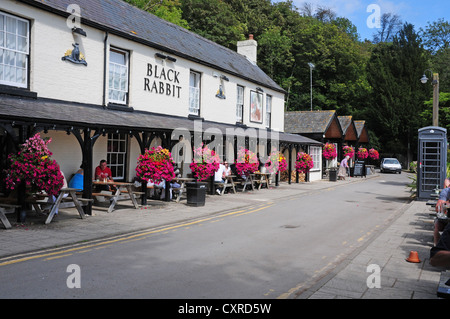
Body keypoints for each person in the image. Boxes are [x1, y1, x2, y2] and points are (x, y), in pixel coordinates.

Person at [434, 178, 450, 245]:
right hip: (448, 217)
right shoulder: (446, 191)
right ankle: (437, 247)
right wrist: (445, 204)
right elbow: (438, 208)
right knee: (437, 224)